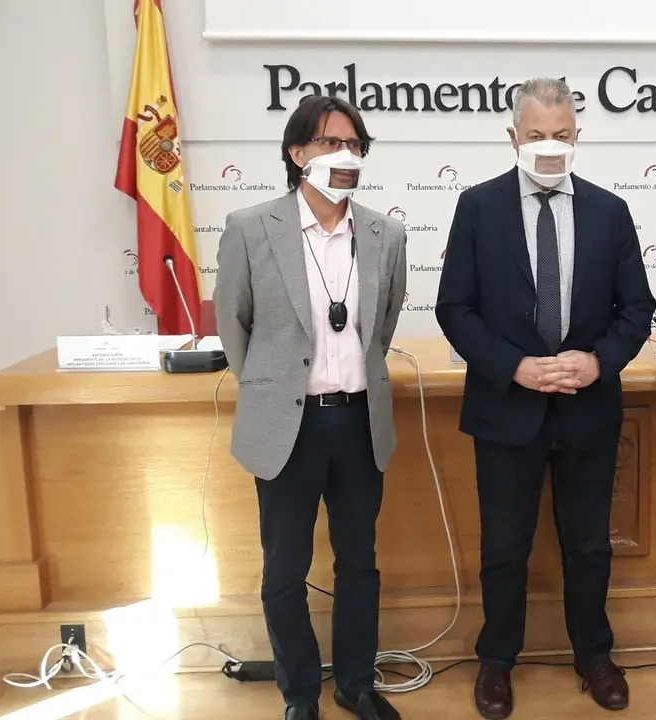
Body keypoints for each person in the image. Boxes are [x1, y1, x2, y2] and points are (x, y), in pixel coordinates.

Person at [435, 77, 656, 719]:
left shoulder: (610, 211)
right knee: (505, 547)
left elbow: (636, 308)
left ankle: (594, 656)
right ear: (513, 137)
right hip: (506, 408)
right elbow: (455, 308)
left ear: (578, 136)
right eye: (536, 135)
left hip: (588, 410)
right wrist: (515, 367)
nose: (549, 145)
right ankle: (497, 662)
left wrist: (599, 361)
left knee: (588, 545)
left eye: (561, 134)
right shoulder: (478, 207)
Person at [214, 95, 407, 720]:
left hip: (358, 421)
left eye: (355, 145)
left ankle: (355, 684)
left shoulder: (385, 234)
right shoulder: (250, 227)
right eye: (329, 143)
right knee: (284, 570)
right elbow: (234, 323)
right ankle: (299, 695)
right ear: (297, 153)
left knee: (359, 564)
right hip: (286, 425)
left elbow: (381, 328)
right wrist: (272, 386)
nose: (344, 155)